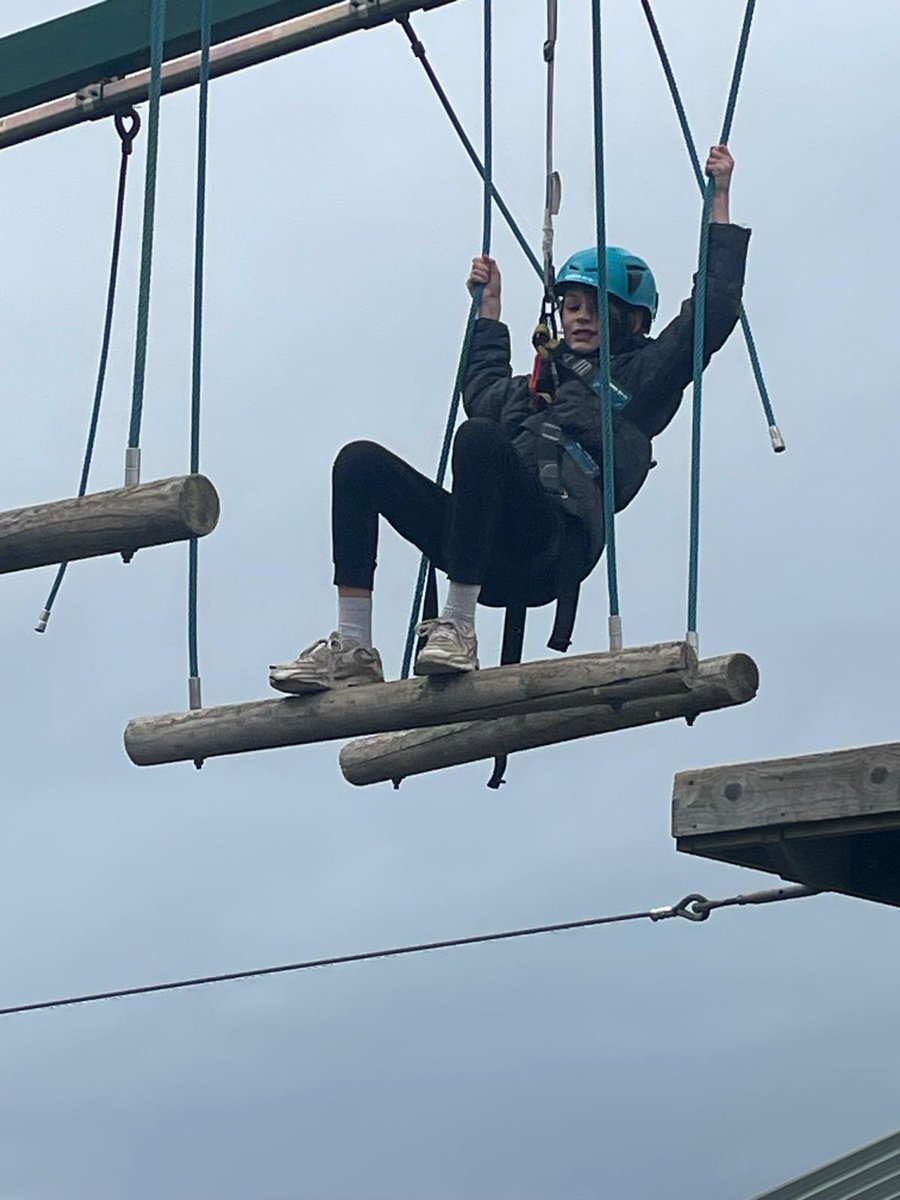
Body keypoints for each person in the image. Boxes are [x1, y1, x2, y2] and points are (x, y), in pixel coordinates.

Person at [269, 145, 749, 695]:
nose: (581, 317)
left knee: (478, 440)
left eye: (597, 307)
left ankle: (458, 626)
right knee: (359, 464)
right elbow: (481, 390)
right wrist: (489, 314)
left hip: (547, 545)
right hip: (483, 547)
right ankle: (354, 645)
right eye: (571, 305)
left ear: (631, 319)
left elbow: (712, 313)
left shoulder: (641, 379)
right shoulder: (535, 386)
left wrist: (721, 204)